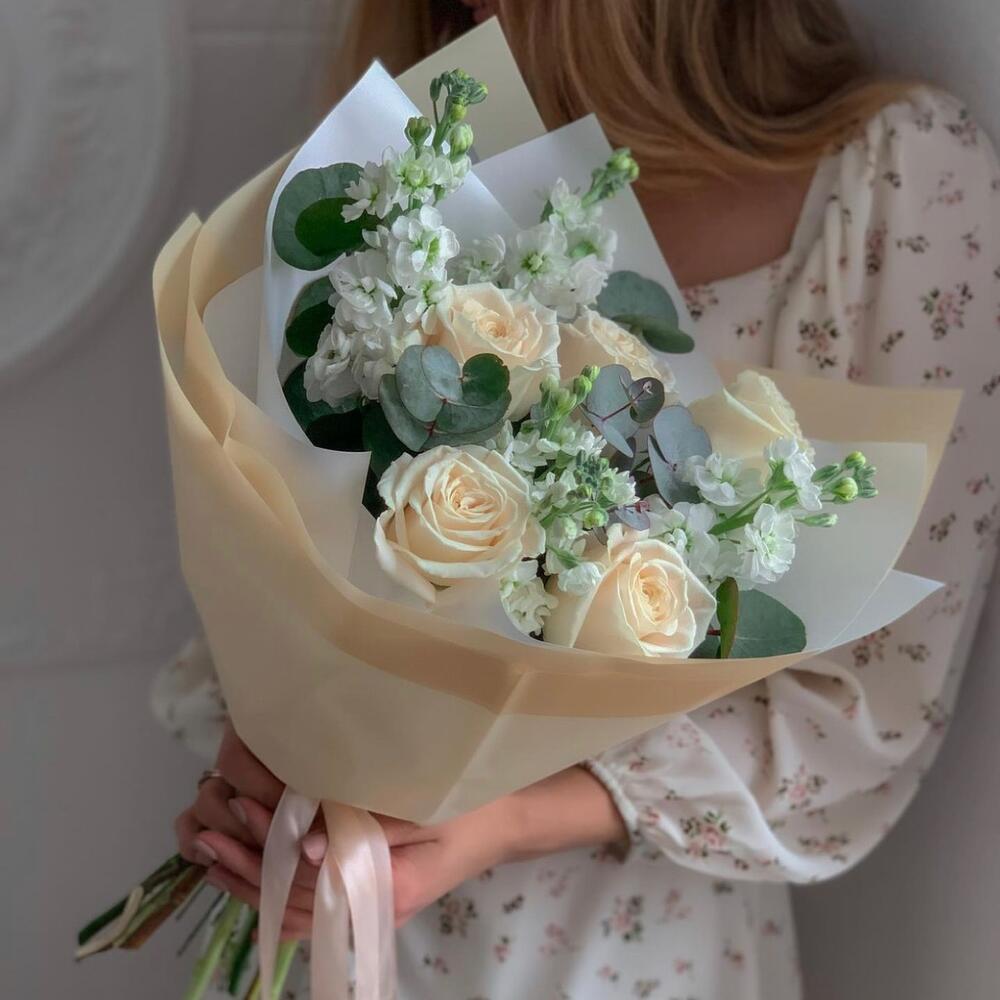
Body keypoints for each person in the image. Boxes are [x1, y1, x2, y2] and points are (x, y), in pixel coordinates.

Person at [161, 1, 1000, 996]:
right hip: (343, 898)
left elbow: (871, 704)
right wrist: (264, 771)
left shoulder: (896, 177)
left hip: (619, 950)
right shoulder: (415, 149)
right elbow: (291, 530)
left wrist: (497, 820)